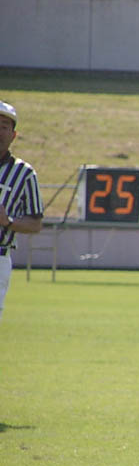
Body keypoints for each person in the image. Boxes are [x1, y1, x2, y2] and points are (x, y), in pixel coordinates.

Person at [0, 100, 43, 321]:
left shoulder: (24, 174)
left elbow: (35, 223)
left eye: (4, 127)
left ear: (13, 135)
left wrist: (7, 221)